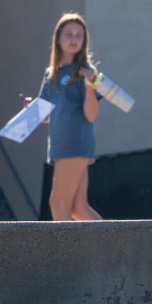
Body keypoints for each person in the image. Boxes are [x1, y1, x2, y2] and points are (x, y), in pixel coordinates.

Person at [39, 12, 102, 221]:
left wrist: (90, 85)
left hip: (75, 143)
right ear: (58, 38)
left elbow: (91, 115)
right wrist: (33, 107)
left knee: (58, 203)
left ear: (85, 41)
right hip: (59, 145)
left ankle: (65, 254)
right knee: (78, 210)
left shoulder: (85, 72)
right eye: (69, 34)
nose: (74, 39)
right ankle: (113, 249)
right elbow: (44, 116)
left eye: (79, 35)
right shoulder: (51, 74)